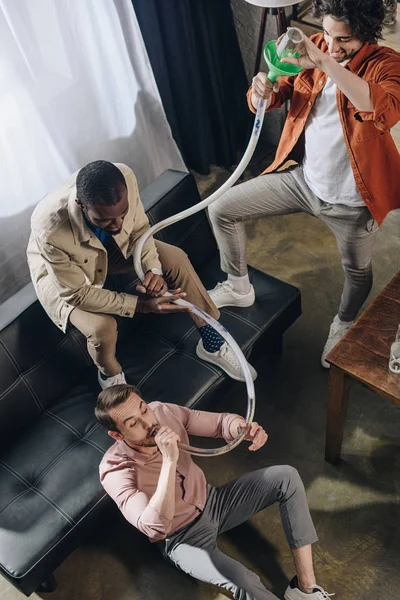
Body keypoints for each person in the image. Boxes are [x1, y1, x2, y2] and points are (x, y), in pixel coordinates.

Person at [207, 0, 400, 367]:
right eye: (326, 33)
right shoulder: (312, 48)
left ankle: (343, 324)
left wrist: (326, 61)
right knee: (221, 208)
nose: (331, 44)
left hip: (353, 203)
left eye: (343, 40)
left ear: (368, 34)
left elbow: (381, 109)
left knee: (357, 273)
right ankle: (238, 285)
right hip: (303, 181)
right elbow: (270, 96)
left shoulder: (387, 65)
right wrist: (260, 89)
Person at [27, 160, 256, 389]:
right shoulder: (49, 229)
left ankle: (212, 343)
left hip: (108, 251)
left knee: (176, 258)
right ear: (81, 205)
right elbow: (76, 294)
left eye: (122, 214)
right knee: (101, 328)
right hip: (63, 276)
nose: (117, 225)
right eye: (105, 219)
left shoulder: (124, 177)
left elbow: (139, 230)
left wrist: (152, 269)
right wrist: (142, 305)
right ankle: (111, 376)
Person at [96, 384, 333, 600]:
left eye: (143, 410)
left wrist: (241, 428)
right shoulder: (115, 470)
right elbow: (153, 526)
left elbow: (218, 423)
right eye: (133, 423)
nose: (148, 423)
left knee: (286, 477)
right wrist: (168, 461)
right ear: (117, 435)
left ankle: (305, 590)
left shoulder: (162, 412)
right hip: (182, 538)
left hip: (213, 501)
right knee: (243, 581)